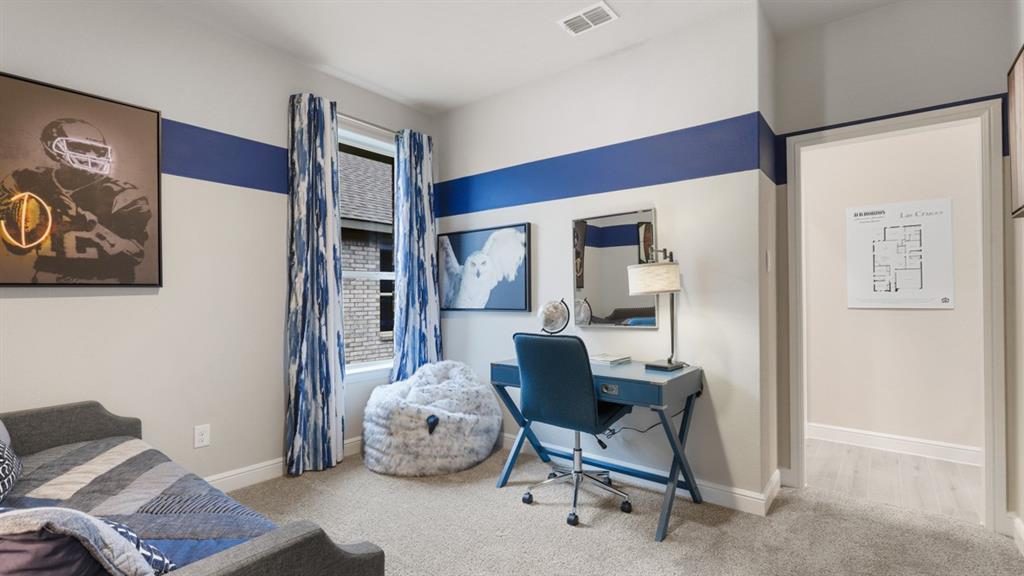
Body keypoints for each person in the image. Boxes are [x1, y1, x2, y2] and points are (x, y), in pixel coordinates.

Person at [0, 118, 151, 283]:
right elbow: (17, 247)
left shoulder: (123, 194)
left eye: (97, 150)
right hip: (46, 281)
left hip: (105, 283)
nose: (92, 155)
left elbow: (134, 255)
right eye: (82, 148)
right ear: (52, 147)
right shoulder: (27, 180)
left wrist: (85, 221)